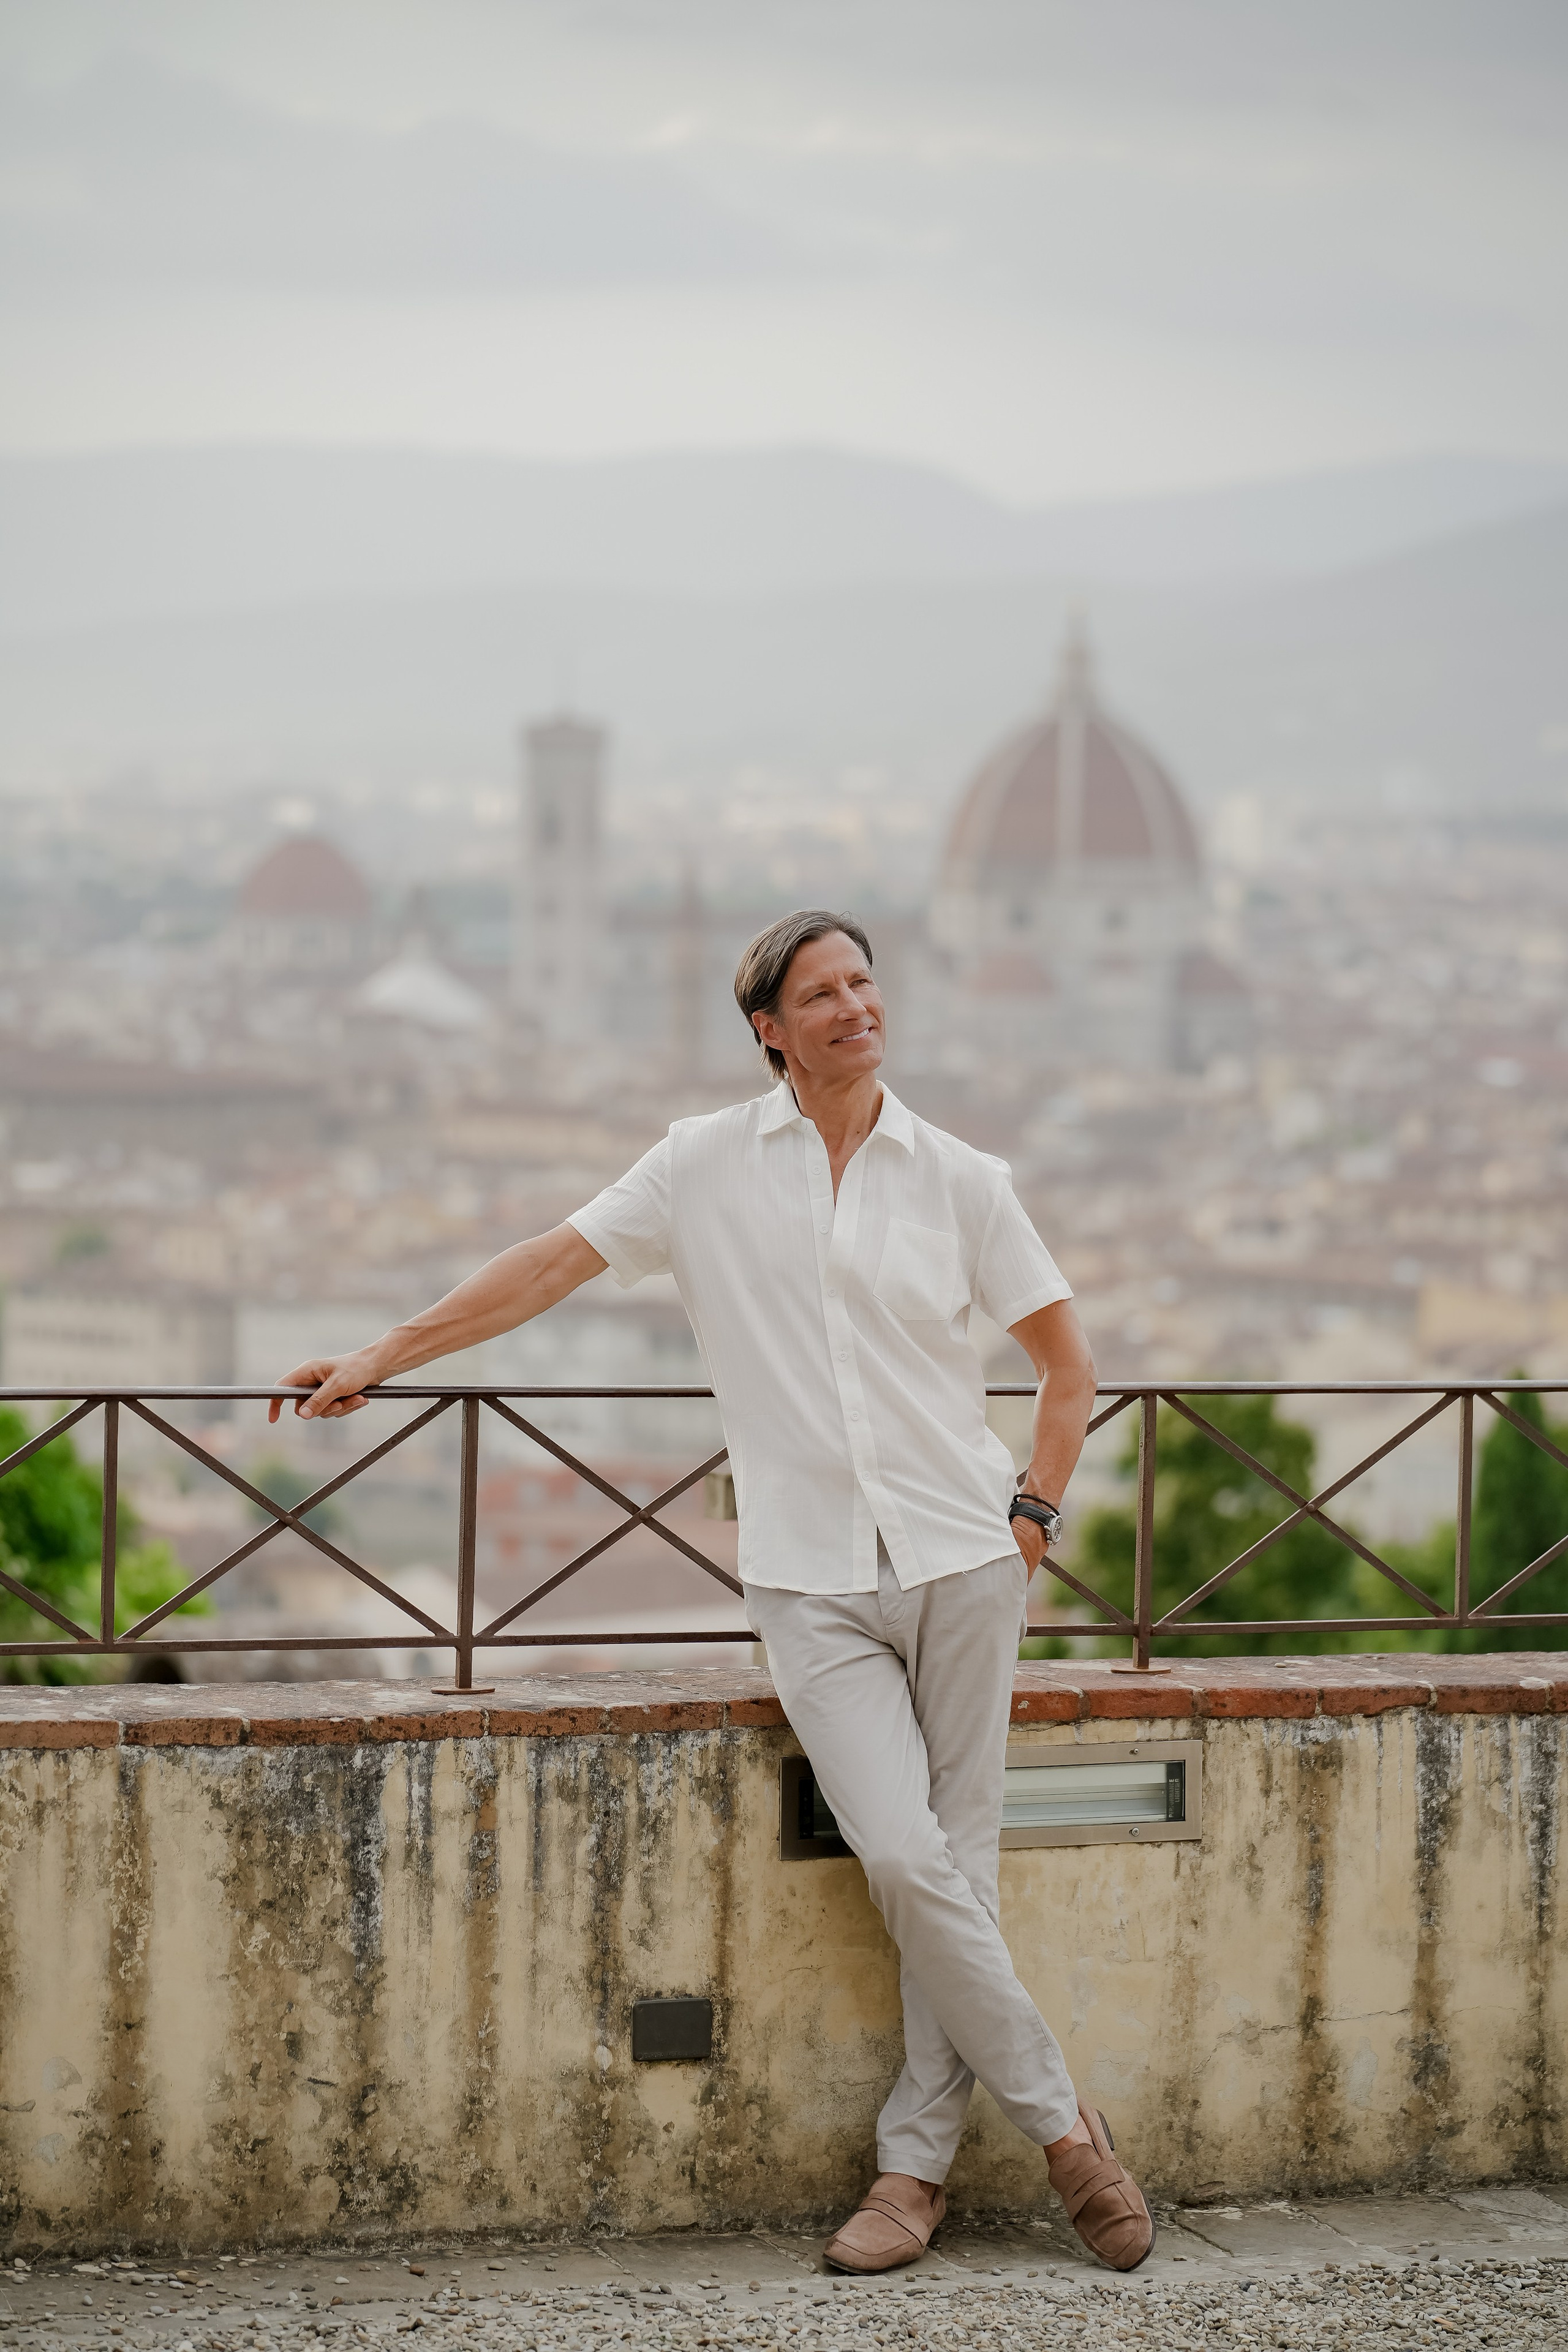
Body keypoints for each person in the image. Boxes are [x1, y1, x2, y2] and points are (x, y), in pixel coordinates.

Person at [270, 908, 1154, 2275]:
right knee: (907, 1859)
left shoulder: (963, 1178)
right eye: (822, 992)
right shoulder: (698, 1167)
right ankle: (1063, 2132)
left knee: (952, 1875)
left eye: (865, 982)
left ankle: (909, 2174)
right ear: (768, 1028)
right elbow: (547, 1267)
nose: (856, 1006)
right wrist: (388, 1351)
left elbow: (1066, 1365)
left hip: (965, 1561)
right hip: (809, 1578)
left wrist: (1029, 1516)